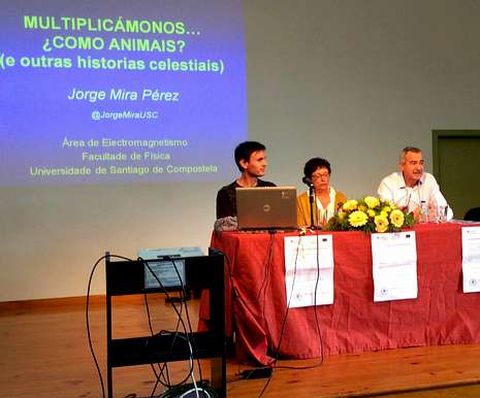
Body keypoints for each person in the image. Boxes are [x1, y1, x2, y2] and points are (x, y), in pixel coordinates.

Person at [377, 146, 453, 221]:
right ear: (402, 166)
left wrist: (435, 214)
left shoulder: (429, 180)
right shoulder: (388, 183)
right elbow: (385, 219)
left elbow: (448, 213)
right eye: (413, 163)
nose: (419, 168)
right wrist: (410, 217)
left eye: (421, 163)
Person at [216, 141, 275, 219]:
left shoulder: (270, 188)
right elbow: (224, 226)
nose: (265, 164)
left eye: (264, 159)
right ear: (244, 163)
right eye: (259, 160)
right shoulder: (225, 193)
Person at [297, 157, 347, 227]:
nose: (323, 179)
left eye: (325, 175)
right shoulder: (301, 201)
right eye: (318, 176)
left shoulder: (340, 197)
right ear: (309, 179)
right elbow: (299, 227)